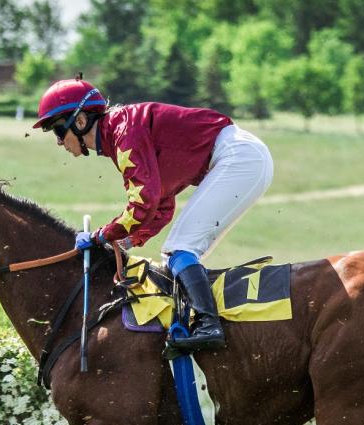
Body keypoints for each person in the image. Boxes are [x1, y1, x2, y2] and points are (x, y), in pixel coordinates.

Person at [33, 77, 274, 351]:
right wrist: (126, 241)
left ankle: (209, 325)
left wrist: (102, 235)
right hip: (242, 156)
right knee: (175, 253)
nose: (58, 142)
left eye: (57, 130)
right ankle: (203, 321)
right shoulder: (120, 132)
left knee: (179, 249)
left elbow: (143, 203)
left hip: (239, 158)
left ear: (79, 121)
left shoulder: (124, 133)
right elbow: (161, 206)